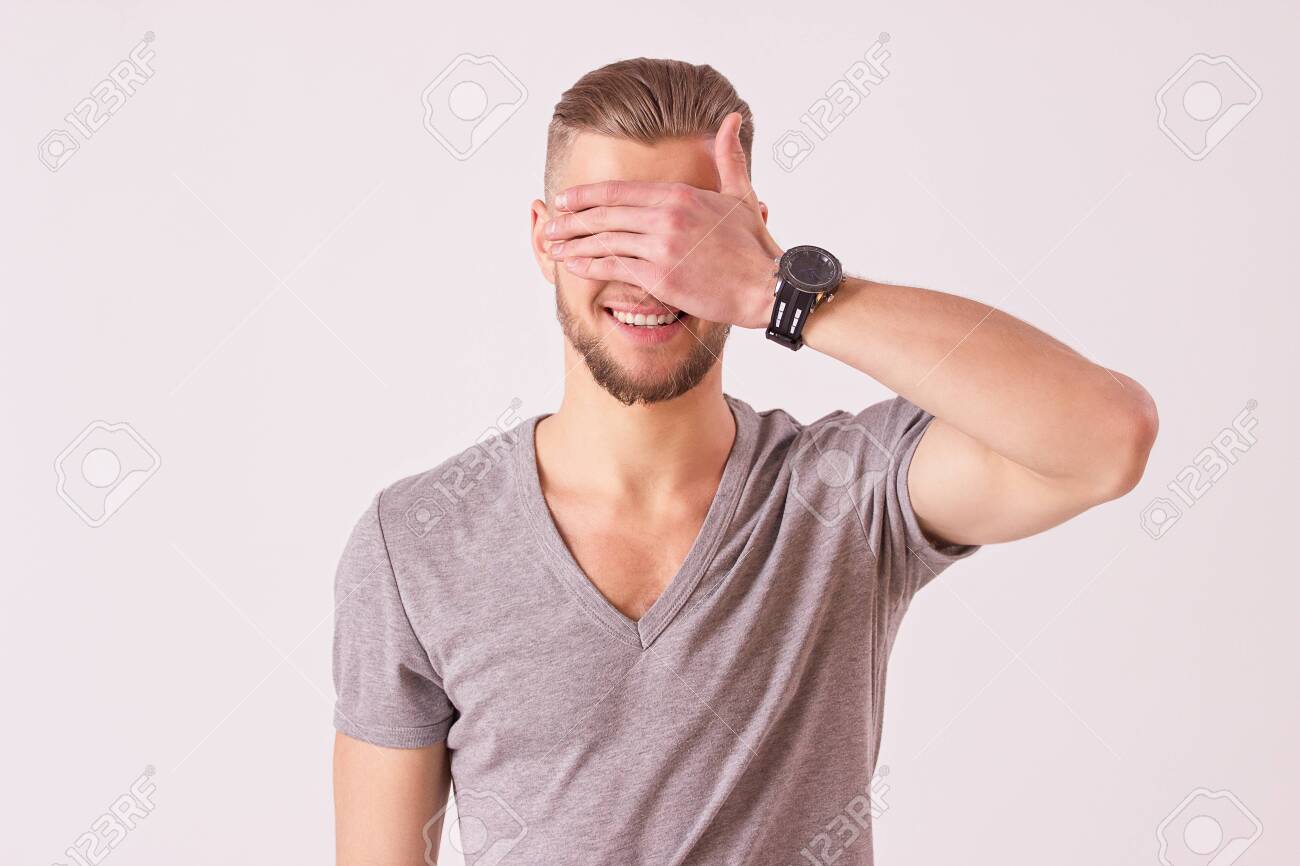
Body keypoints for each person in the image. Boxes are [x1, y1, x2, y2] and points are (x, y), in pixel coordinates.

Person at [333, 58, 1157, 865]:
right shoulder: (414, 543)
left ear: (749, 233)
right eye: (609, 233)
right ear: (545, 240)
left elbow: (1107, 438)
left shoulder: (846, 494)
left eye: (685, 237)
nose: (651, 277)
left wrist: (779, 293)